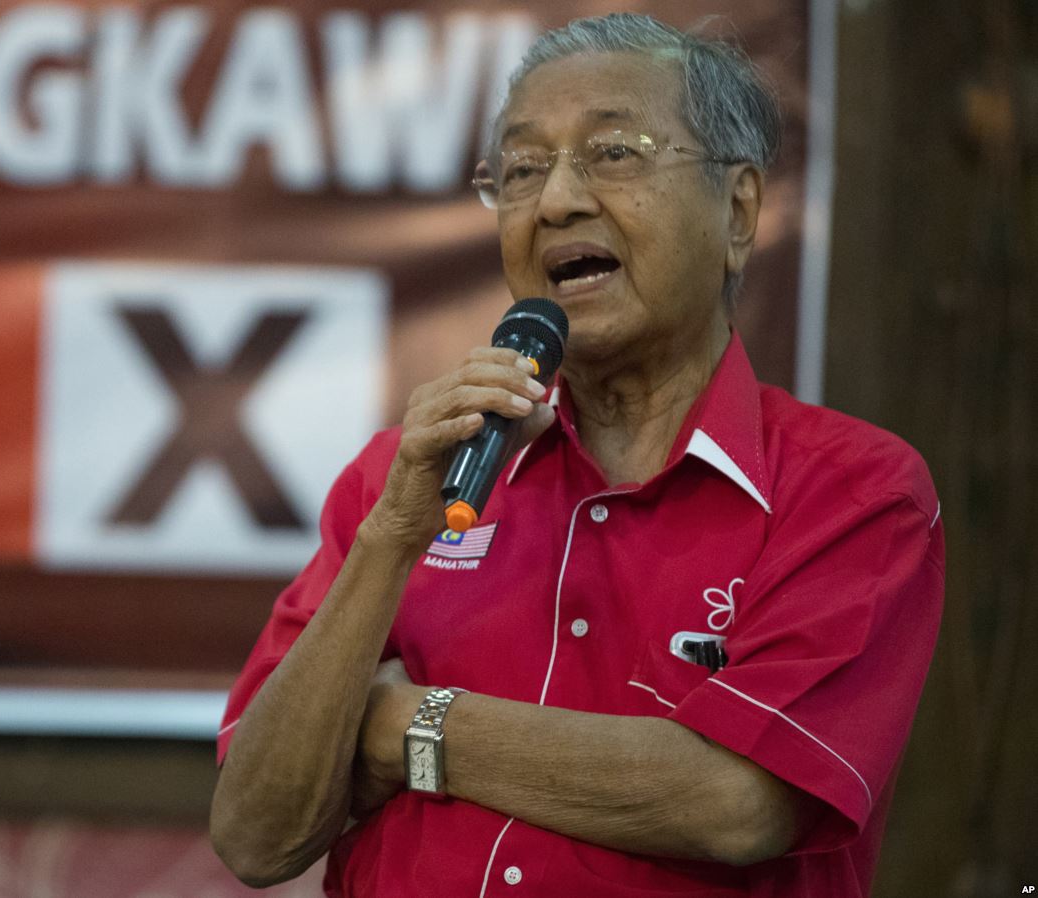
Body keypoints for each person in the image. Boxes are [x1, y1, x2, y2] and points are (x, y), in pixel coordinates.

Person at [208, 13, 943, 897]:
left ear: (739, 210)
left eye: (615, 153)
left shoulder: (852, 490)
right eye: (520, 169)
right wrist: (391, 539)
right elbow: (253, 835)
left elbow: (735, 801)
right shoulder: (403, 476)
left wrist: (404, 724)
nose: (555, 200)